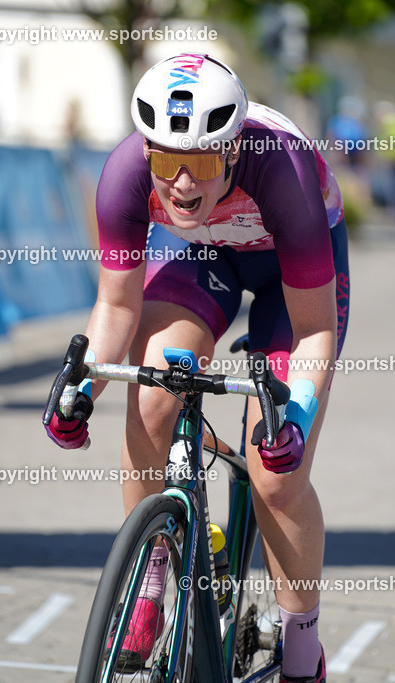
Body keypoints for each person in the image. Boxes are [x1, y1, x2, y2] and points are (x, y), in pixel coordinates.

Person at [46, 52, 350, 683]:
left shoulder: (281, 169)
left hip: (290, 283)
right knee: (153, 394)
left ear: (233, 152)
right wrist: (80, 388)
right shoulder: (126, 174)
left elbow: (315, 330)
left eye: (204, 163)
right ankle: (151, 585)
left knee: (273, 474)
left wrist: (294, 415)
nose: (182, 182)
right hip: (212, 257)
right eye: (167, 161)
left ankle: (301, 647)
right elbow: (114, 307)